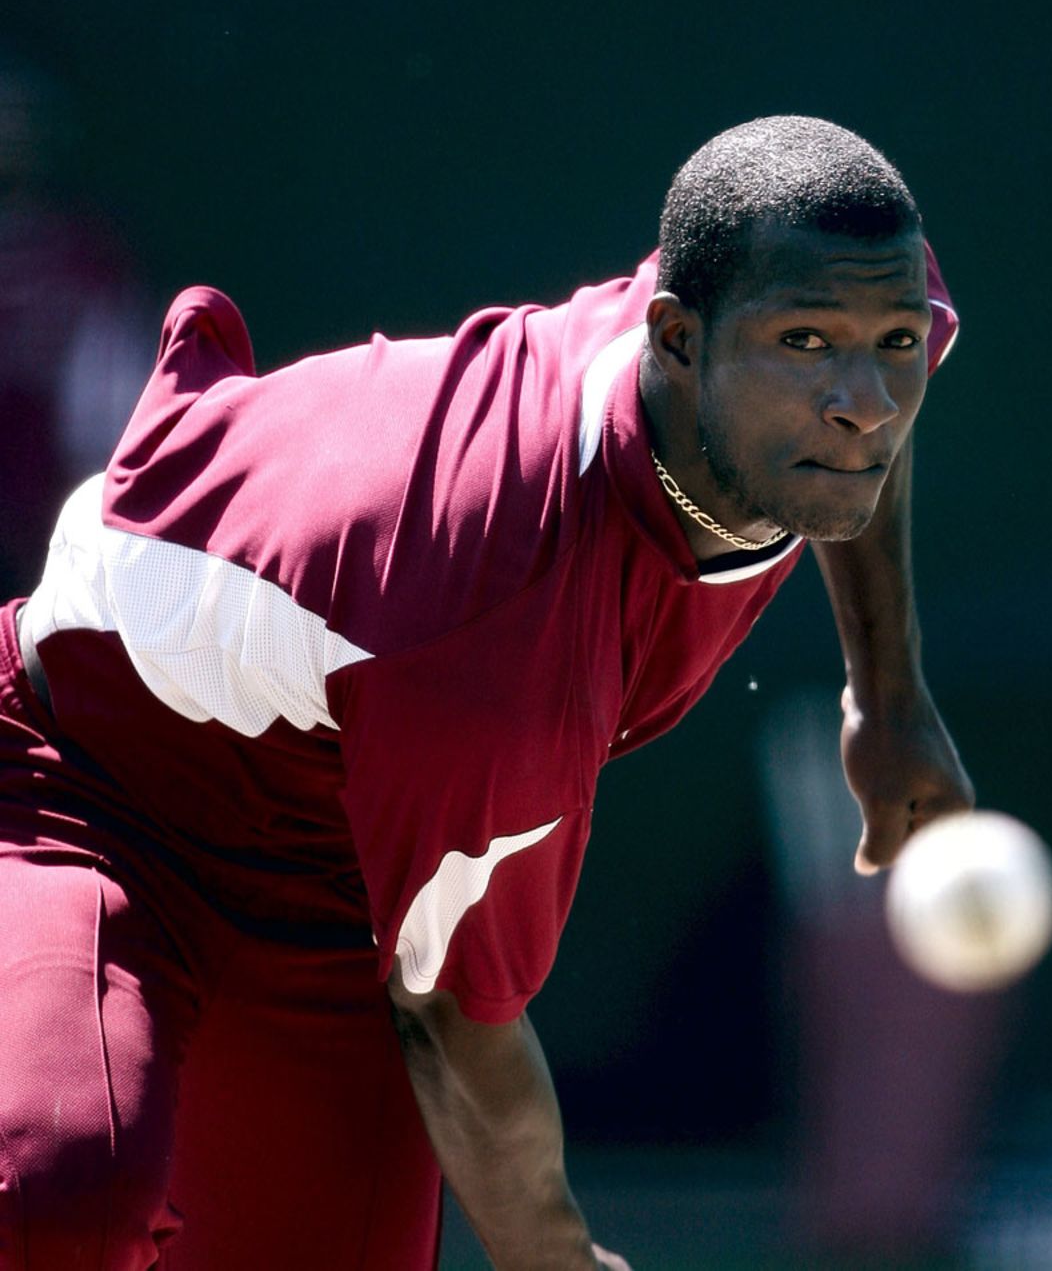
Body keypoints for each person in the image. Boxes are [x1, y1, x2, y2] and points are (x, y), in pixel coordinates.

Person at [0, 115, 972, 1270]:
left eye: (894, 342)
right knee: (58, 1191)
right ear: (677, 337)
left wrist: (891, 693)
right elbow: (456, 1021)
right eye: (807, 342)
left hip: (337, 858)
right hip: (88, 786)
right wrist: (556, 1253)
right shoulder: (502, 624)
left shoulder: (811, 292)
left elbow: (870, 417)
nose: (862, 399)